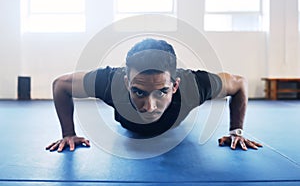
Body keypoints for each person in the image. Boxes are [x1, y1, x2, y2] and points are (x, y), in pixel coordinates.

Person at [46, 38, 262, 152]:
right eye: (138, 92)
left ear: (176, 86)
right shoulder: (108, 82)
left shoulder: (196, 85)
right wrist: (68, 133)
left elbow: (239, 83)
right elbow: (61, 85)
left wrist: (236, 131)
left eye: (162, 92)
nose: (149, 106)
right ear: (125, 82)